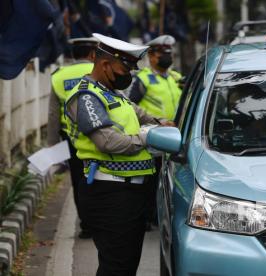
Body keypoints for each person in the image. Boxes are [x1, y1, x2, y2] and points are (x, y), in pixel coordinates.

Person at [64, 33, 167, 276]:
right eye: (126, 67)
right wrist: (148, 136)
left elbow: (138, 112)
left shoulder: (111, 93)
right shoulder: (86, 96)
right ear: (105, 64)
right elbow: (107, 141)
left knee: (126, 264)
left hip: (130, 194)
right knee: (117, 267)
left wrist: (162, 122)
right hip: (110, 194)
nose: (129, 74)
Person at [128, 34, 182, 230]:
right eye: (162, 54)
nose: (167, 57)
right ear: (151, 56)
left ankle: (165, 213)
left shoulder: (176, 78)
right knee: (151, 180)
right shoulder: (143, 79)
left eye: (169, 53)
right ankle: (150, 216)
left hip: (176, 135)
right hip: (154, 136)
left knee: (172, 179)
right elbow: (131, 106)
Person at [47, 37, 98, 239]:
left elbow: (53, 114)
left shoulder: (59, 76)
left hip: (72, 138)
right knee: (101, 177)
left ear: (72, 54)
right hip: (101, 133)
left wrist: (52, 145)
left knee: (79, 180)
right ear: (93, 54)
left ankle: (87, 225)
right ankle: (102, 221)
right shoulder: (99, 72)